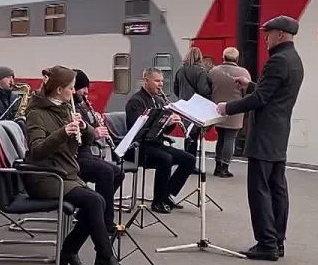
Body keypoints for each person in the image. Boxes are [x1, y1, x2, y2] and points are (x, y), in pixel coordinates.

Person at [23, 65, 130, 265]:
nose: (74, 92)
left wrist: (84, 128)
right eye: (71, 88)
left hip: (66, 172)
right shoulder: (36, 113)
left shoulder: (64, 107)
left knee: (96, 202)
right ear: (59, 89)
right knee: (94, 202)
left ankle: (70, 252)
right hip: (45, 176)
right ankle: (104, 256)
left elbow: (86, 139)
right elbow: (37, 151)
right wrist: (63, 133)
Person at [216, 16, 304, 261]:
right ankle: (277, 241)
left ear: (281, 35)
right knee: (277, 188)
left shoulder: (277, 61)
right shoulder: (294, 60)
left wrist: (227, 107)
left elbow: (261, 100)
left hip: (264, 134)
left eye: (269, 33)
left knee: (259, 189)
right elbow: (272, 94)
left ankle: (265, 244)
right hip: (278, 134)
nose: (265, 37)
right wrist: (251, 84)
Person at [125, 68, 196, 214]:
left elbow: (161, 131)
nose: (161, 84)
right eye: (157, 81)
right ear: (146, 81)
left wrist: (171, 123)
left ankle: (166, 194)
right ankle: (157, 202)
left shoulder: (158, 100)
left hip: (155, 144)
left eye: (162, 81)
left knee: (189, 159)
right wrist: (164, 121)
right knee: (166, 158)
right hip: (138, 147)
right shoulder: (136, 101)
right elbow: (137, 129)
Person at [73, 69, 123, 233]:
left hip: (85, 153)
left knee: (118, 173)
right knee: (106, 171)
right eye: (82, 88)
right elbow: (75, 138)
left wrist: (96, 122)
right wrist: (94, 134)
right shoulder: (71, 108)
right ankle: (105, 222)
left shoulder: (82, 106)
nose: (86, 92)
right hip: (75, 157)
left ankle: (89, 211)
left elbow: (88, 129)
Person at [208, 47, 251, 178]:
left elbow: (208, 88)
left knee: (221, 138)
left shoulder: (214, 71)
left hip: (217, 110)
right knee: (230, 139)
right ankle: (224, 167)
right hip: (235, 110)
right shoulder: (243, 72)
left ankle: (217, 166)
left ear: (223, 57)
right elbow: (247, 91)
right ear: (237, 58)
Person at [173, 47, 213, 156]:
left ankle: (187, 157)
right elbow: (203, 91)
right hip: (195, 107)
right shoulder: (201, 71)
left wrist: (183, 98)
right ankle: (191, 160)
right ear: (199, 57)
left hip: (184, 106)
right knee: (194, 134)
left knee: (188, 133)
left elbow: (175, 89)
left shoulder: (180, 70)